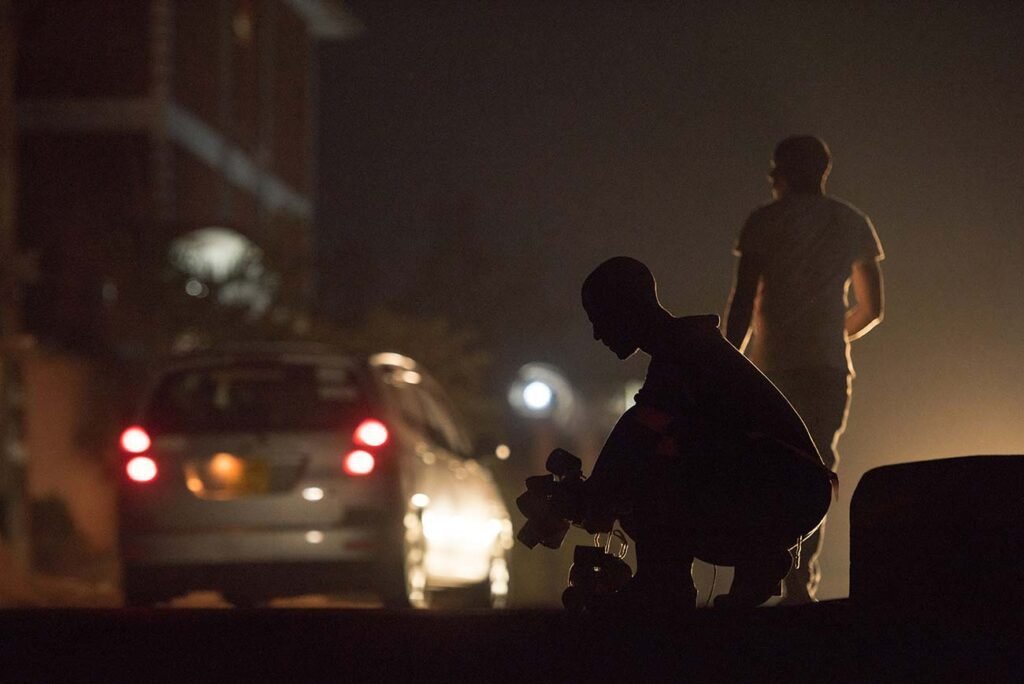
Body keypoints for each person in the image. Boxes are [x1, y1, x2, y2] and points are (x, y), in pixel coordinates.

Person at [576, 256, 832, 611]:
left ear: (624, 307)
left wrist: (595, 495)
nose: (597, 333)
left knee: (649, 480)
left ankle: (665, 585)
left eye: (598, 318)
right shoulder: (689, 346)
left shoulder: (683, 352)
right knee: (658, 467)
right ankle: (755, 560)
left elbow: (637, 432)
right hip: (792, 486)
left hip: (786, 488)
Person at [724, 135, 885, 604]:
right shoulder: (852, 222)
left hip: (770, 369)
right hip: (828, 368)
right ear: (824, 170)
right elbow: (872, 308)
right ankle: (800, 579)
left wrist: (727, 360)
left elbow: (741, 303)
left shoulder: (763, 222)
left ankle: (760, 573)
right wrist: (836, 334)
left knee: (762, 471)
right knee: (818, 472)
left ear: (782, 172)